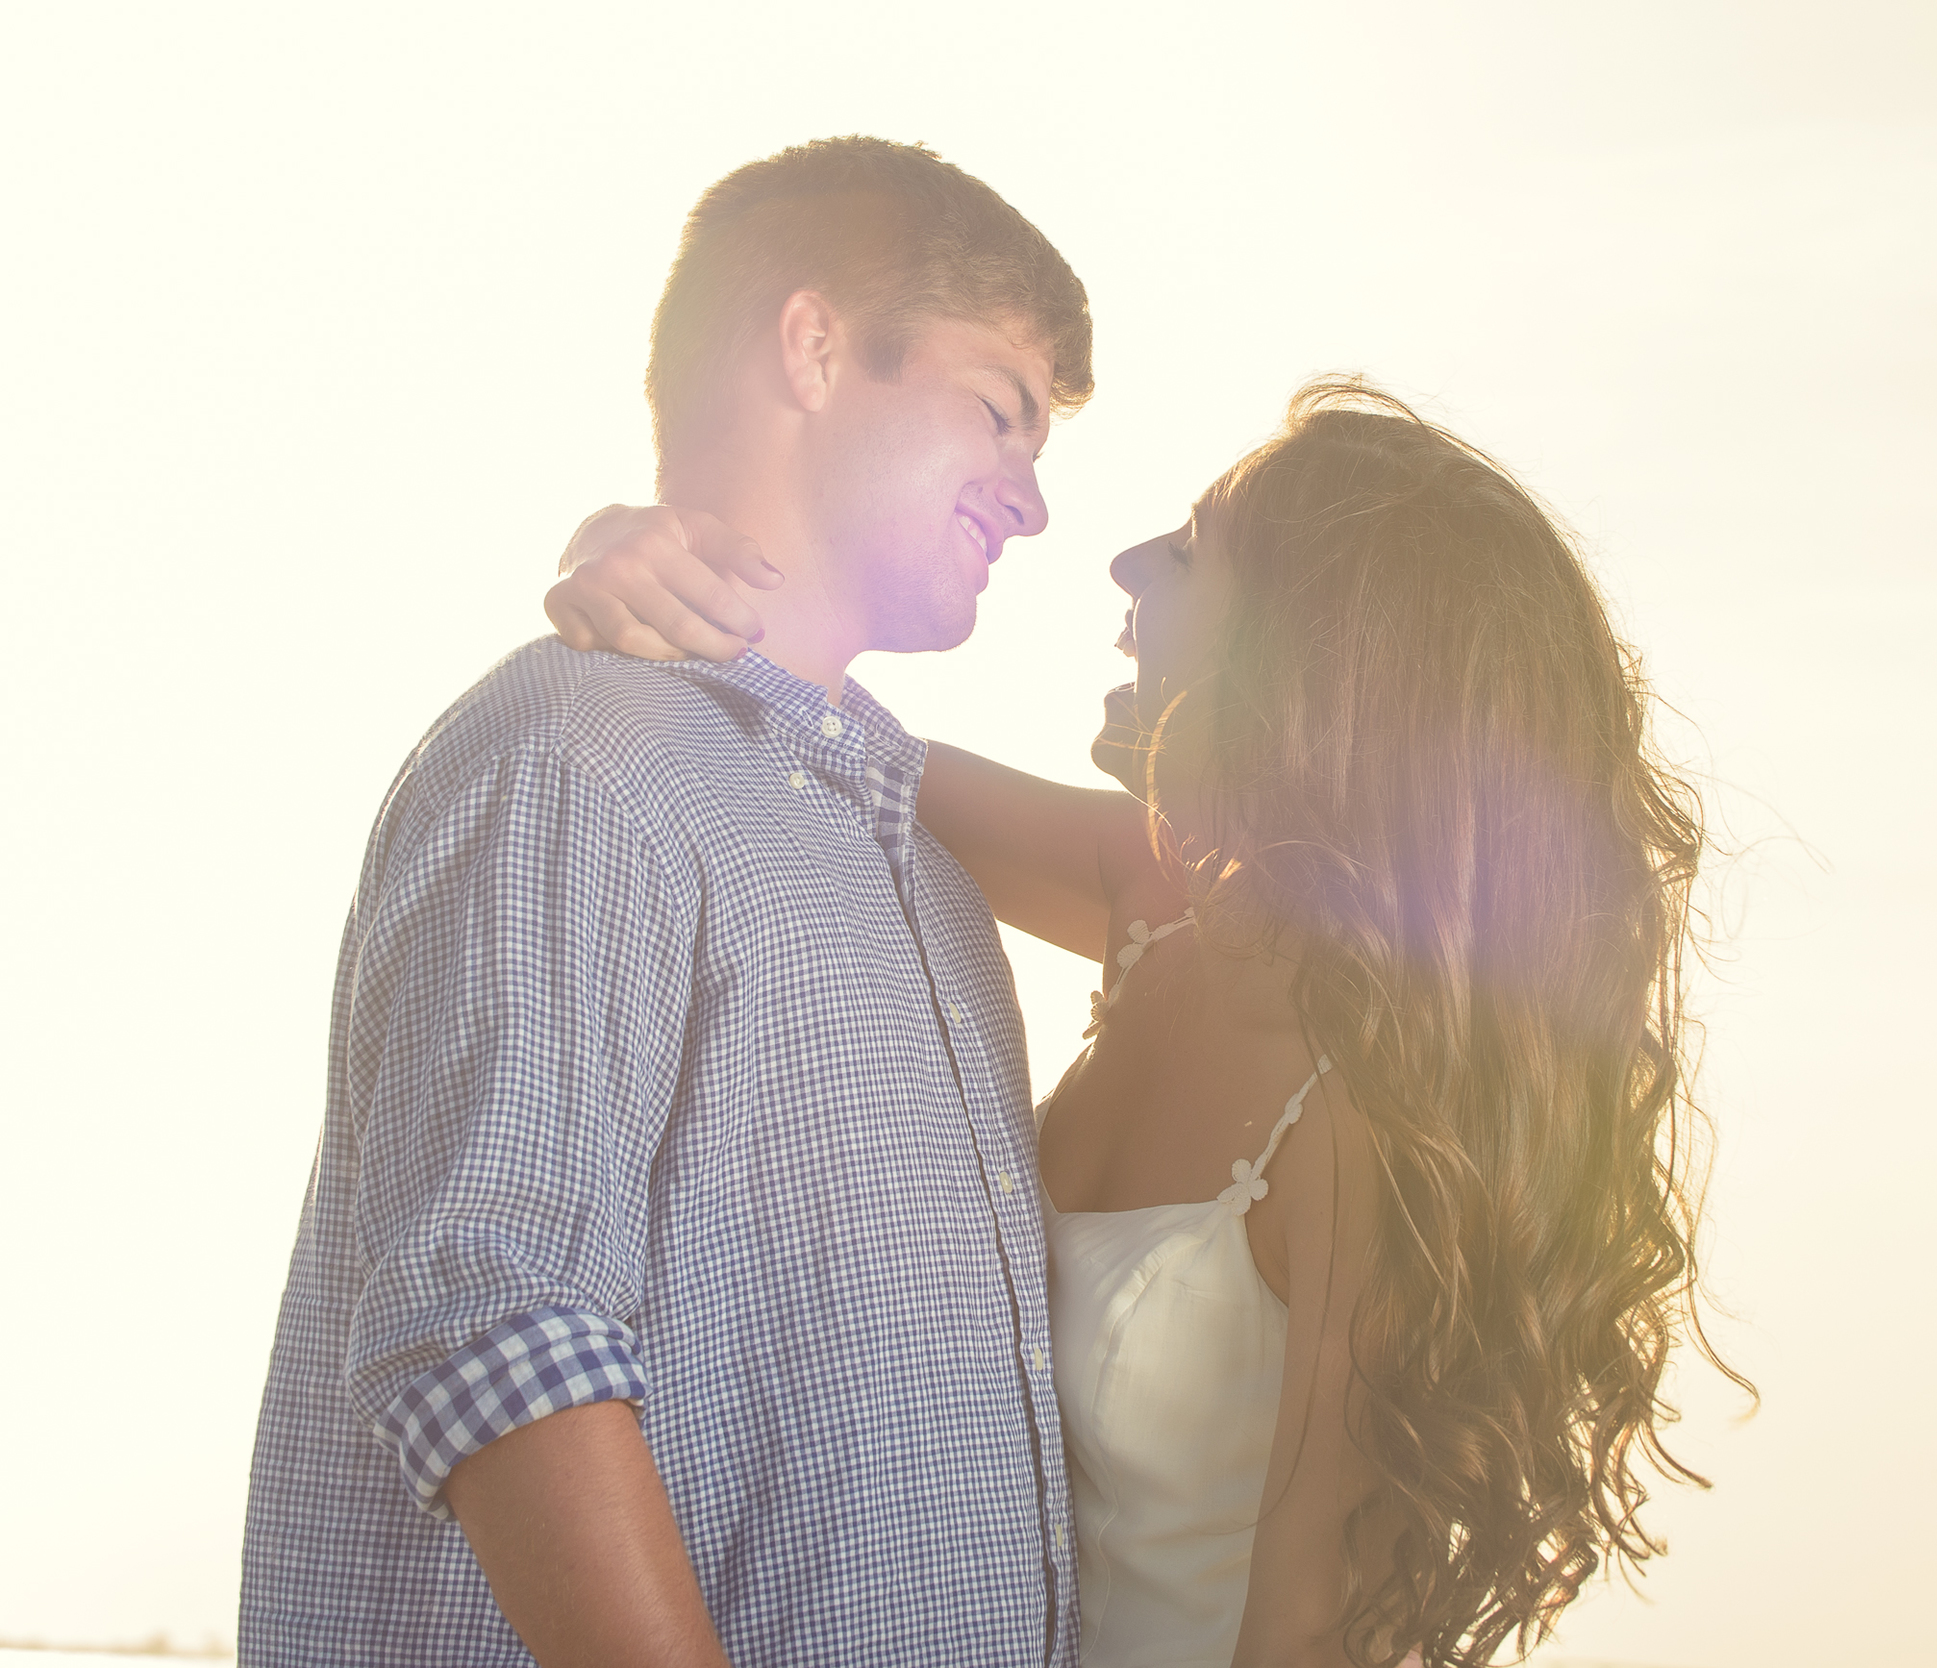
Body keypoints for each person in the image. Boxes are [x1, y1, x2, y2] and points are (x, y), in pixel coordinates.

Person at [549, 378, 1742, 1667]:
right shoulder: (1154, 895)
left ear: (1309, 653)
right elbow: (818, 736)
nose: (1120, 562)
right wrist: (629, 548)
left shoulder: (1372, 1119)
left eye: (1183, 553)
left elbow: (1308, 1633)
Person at [238, 136, 1093, 1668]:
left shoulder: (927, 881)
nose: (1031, 503)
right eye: (1002, 411)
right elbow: (493, 1334)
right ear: (815, 345)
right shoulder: (577, 761)